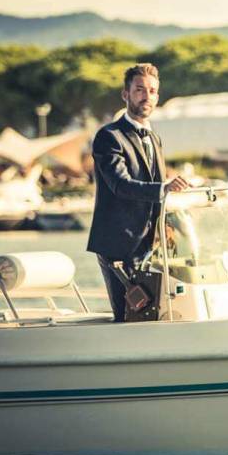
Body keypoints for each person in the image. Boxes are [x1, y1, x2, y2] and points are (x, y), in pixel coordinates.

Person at [87, 63, 189, 321]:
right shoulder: (109, 136)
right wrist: (163, 188)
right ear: (126, 94)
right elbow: (120, 185)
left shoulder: (155, 138)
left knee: (154, 315)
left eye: (152, 91)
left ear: (157, 97)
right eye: (139, 89)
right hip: (119, 246)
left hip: (151, 246)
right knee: (129, 318)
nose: (146, 96)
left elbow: (157, 184)